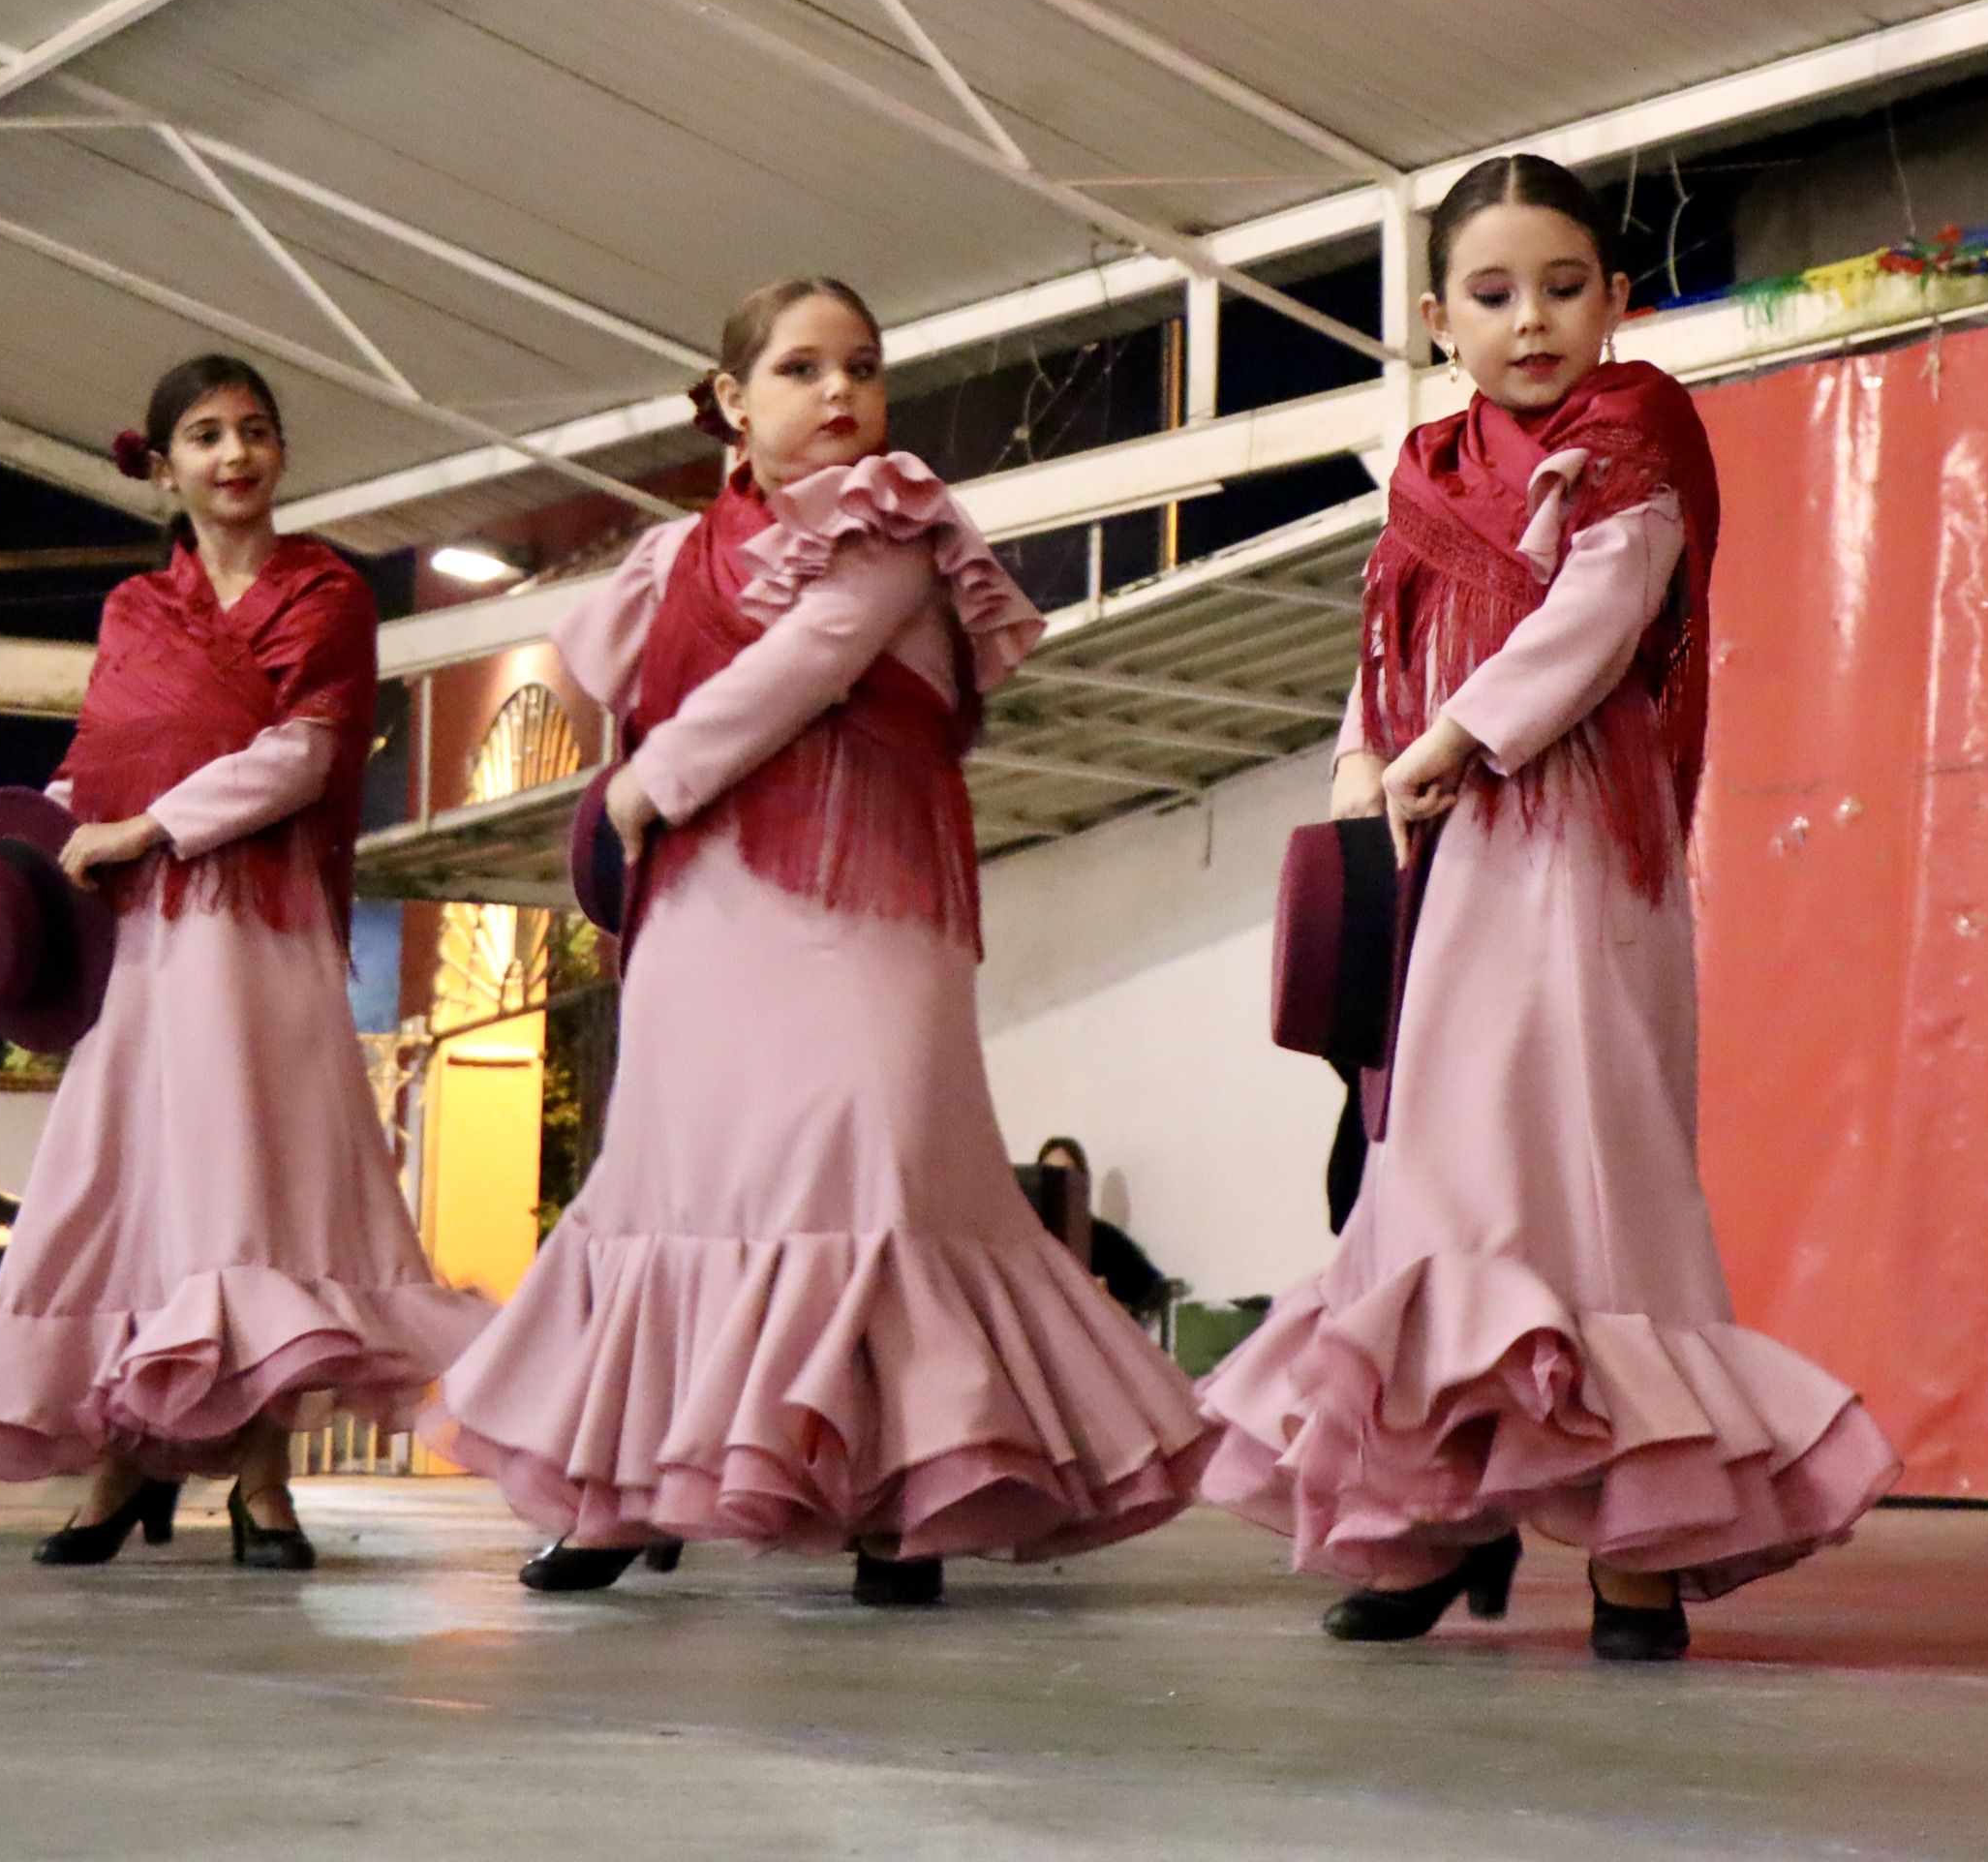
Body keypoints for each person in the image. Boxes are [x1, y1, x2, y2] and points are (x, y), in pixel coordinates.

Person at [1200, 156, 1899, 1662]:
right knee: (1440, 1179)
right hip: (1446, 859)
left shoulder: (1636, 434)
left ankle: (1636, 1546)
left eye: (1565, 288)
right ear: (1439, 321)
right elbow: (1387, 642)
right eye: (1496, 294)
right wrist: (1362, 757)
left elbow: (1601, 615)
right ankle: (1426, 1520)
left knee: (1595, 1168)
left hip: (1576, 848)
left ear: (1617, 299)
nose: (1532, 320)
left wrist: (1454, 738)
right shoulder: (1427, 468)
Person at [432, 278, 1212, 1603]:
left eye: (862, 364)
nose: (841, 390)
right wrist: (635, 795)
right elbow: (624, 684)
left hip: (868, 902)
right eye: (802, 368)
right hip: (707, 909)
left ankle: (900, 1497)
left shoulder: (893, 518)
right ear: (732, 400)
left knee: (880, 1167)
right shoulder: (669, 561)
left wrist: (645, 784)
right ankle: (621, 1493)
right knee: (675, 1182)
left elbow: (803, 664)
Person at [0, 355, 492, 1569]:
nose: (236, 454)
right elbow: (95, 759)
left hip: (261, 937)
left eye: (256, 430)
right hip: (142, 942)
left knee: (255, 1188)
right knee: (133, 1185)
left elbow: (307, 756)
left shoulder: (327, 592)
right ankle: (126, 1462)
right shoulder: (135, 609)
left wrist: (146, 827)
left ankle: (263, 1480)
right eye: (210, 435)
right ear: (165, 468)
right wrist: (27, 861)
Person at [1028, 1136, 1171, 1322]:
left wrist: (1108, 1290)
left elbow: (1154, 1288)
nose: (1059, 1182)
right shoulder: (1028, 1241)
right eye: (1050, 1174)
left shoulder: (1103, 1237)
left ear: (1082, 1180)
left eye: (1066, 1172)